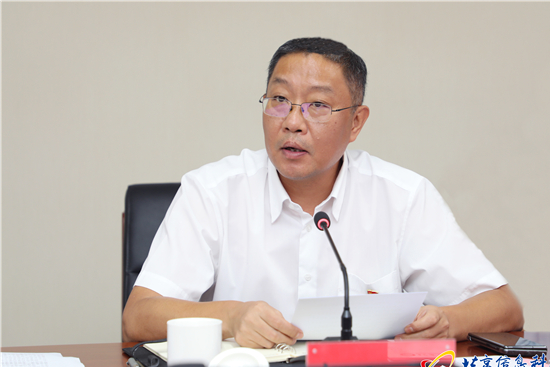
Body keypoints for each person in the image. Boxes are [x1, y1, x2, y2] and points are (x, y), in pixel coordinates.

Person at [122, 37, 524, 348]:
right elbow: (138, 317)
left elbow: (504, 308)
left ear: (356, 123)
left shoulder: (402, 196)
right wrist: (230, 317)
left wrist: (447, 322)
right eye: (279, 100)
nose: (292, 122)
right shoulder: (212, 191)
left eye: (317, 105)